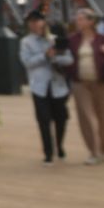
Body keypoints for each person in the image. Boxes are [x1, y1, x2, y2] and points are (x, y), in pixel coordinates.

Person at [67, 7, 104, 164]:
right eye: (77, 18)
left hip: (101, 82)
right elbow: (66, 58)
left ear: (91, 21)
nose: (77, 21)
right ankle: (93, 151)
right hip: (80, 83)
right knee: (85, 117)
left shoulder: (103, 38)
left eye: (81, 19)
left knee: (103, 116)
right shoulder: (72, 39)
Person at [20, 10, 73, 164]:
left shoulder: (55, 39)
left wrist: (56, 56)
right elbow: (27, 62)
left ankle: (60, 145)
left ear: (44, 22)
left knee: (61, 118)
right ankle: (48, 152)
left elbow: (69, 59)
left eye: (37, 21)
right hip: (39, 86)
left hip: (58, 85)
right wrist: (44, 56)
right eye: (31, 22)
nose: (35, 24)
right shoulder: (26, 42)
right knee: (43, 120)